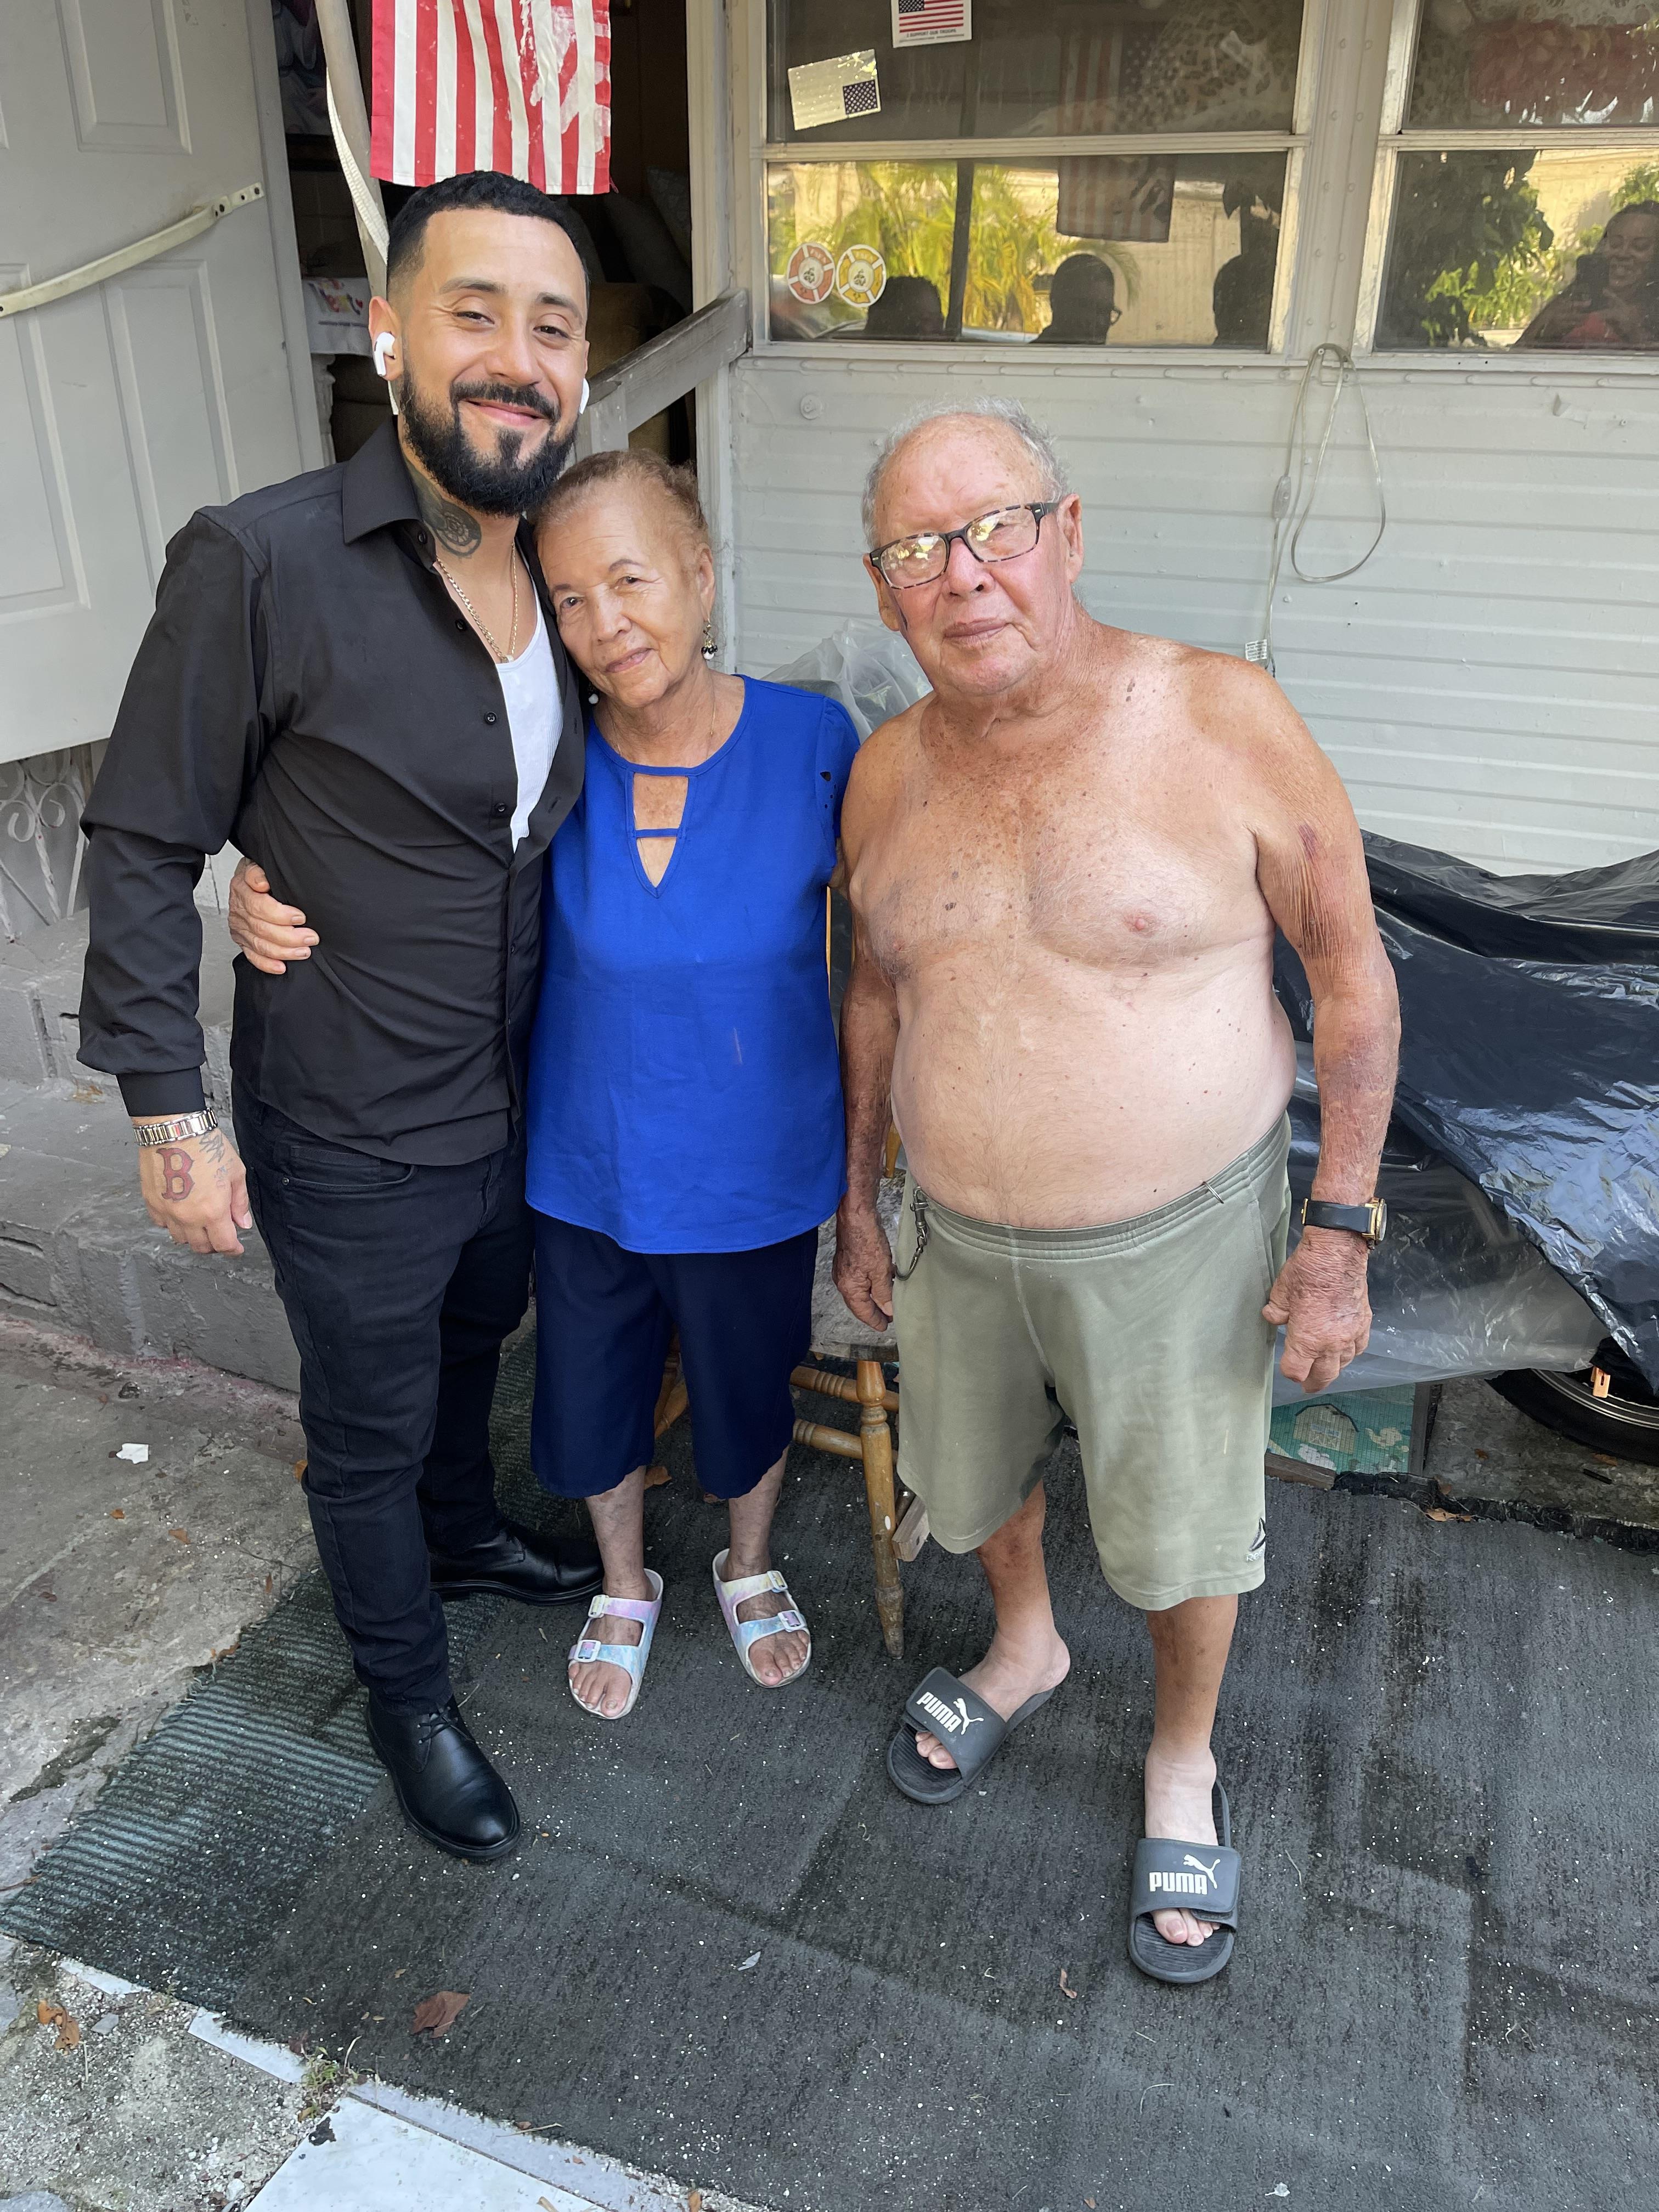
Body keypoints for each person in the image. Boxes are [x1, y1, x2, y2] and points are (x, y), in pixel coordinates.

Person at [76, 171, 607, 1867]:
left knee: (474, 1349)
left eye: (554, 326)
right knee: (366, 1422)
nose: (516, 358)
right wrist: (171, 1114)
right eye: (476, 312)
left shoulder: (575, 584)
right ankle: (405, 1690)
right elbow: (147, 832)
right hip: (348, 1117)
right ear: (387, 332)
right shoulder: (264, 559)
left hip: (509, 1096)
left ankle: (462, 1534)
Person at [832, 398, 1398, 1985]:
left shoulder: (1223, 719)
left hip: (1183, 1241)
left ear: (1067, 533)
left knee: (1180, 1530)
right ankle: (1024, 1646)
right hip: (955, 1230)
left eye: (997, 528)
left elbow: (1352, 980)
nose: (964, 575)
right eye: (918, 550)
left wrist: (1340, 1234)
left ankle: (1182, 1756)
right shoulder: (884, 776)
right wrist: (858, 1198)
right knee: (980, 1470)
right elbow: (870, 994)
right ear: (883, 590)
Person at [234, 448, 861, 1722]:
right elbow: (394, 853)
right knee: (589, 1385)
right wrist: (263, 875)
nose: (604, 622)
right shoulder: (542, 756)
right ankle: (624, 1581)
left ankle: (748, 1563)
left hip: (755, 1154)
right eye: (568, 598)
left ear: (699, 576)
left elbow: (898, 927)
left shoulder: (819, 742)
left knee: (749, 1377)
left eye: (631, 580)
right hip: (585, 1151)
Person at [1517, 201, 1659, 349]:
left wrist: (1636, 336)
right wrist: (1547, 335)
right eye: (1615, 244)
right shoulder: (1570, 303)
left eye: (1640, 247)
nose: (1622, 254)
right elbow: (1514, 359)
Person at [1034, 255, 1119, 344]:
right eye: (1085, 307)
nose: (1094, 323)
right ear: (1055, 303)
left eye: (1104, 310)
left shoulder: (1117, 357)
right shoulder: (1029, 356)